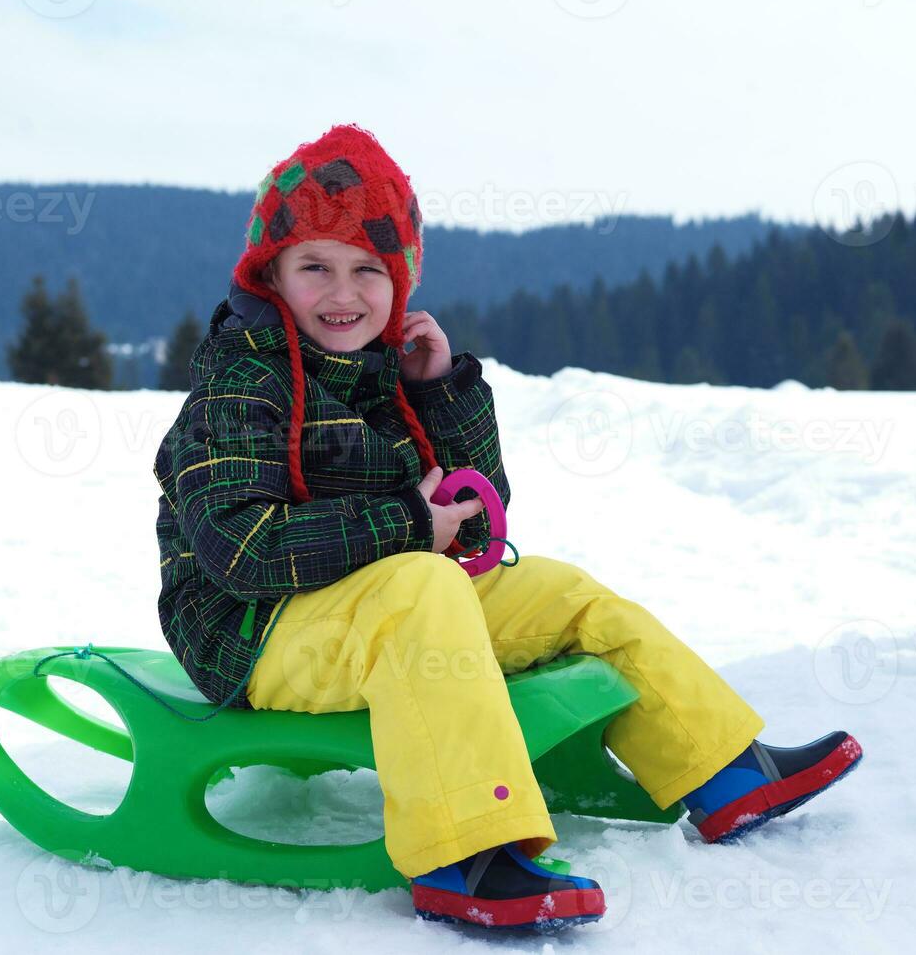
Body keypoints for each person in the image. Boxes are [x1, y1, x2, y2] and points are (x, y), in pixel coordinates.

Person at [151, 123, 863, 933]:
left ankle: (723, 767)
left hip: (374, 606)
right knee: (418, 582)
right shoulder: (240, 387)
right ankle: (465, 853)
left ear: (400, 280)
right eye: (314, 267)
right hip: (254, 632)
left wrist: (439, 392)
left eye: (367, 271)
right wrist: (408, 523)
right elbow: (242, 550)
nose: (341, 294)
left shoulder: (377, 374)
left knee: (560, 592)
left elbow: (478, 517)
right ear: (271, 275)